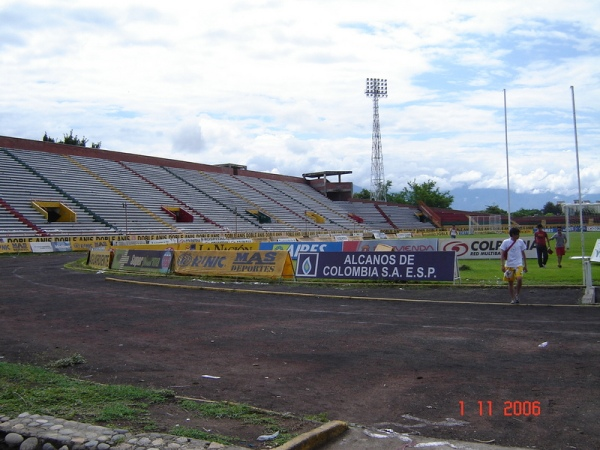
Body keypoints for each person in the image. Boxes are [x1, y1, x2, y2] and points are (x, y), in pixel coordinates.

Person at [500, 227, 528, 304]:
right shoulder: (506, 242)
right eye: (517, 234)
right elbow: (502, 254)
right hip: (509, 265)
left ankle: (517, 294)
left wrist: (525, 265)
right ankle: (513, 298)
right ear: (512, 235)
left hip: (518, 264)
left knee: (519, 279)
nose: (518, 236)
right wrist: (502, 265)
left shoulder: (520, 242)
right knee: (510, 282)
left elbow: (523, 253)